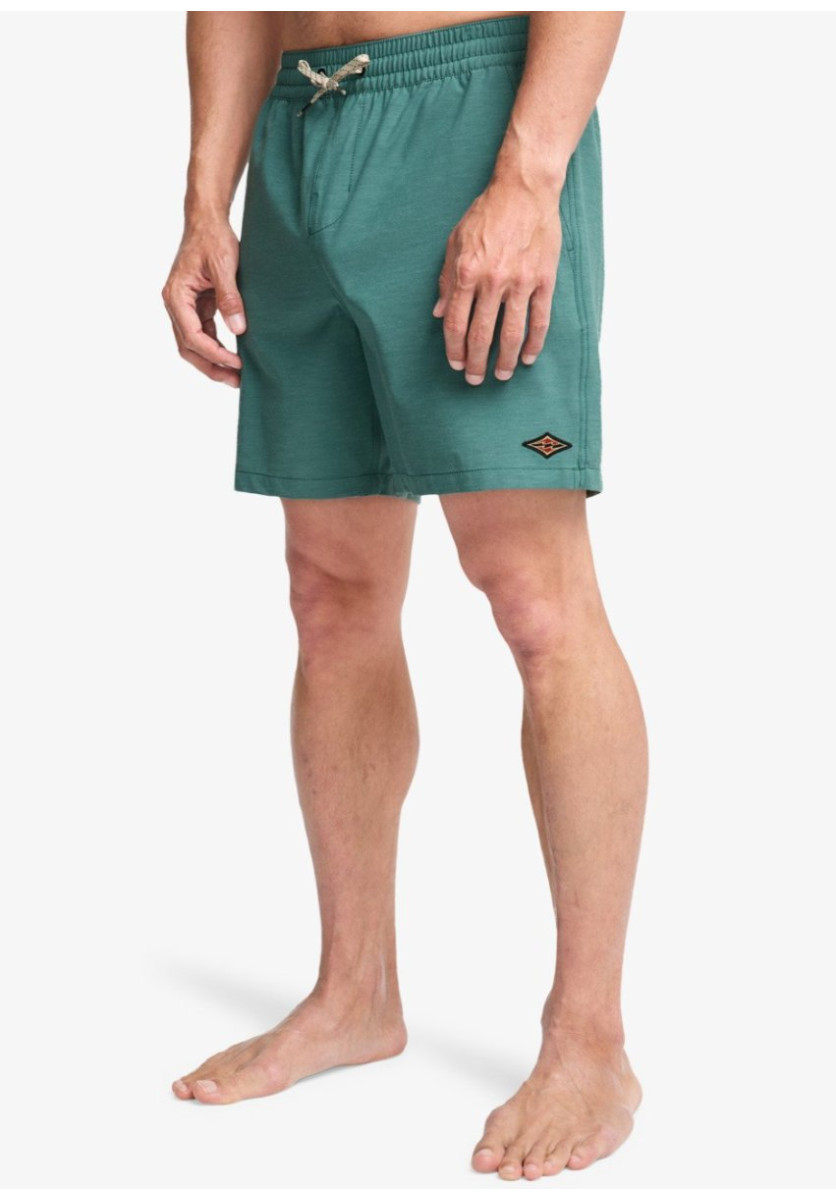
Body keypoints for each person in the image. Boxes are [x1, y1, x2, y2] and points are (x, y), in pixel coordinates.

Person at [162, 11, 647, 1183]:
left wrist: (529, 176)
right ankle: (354, 993)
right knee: (329, 593)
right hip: (299, 123)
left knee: (532, 597)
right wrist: (205, 198)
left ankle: (589, 1041)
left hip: (470, 113)